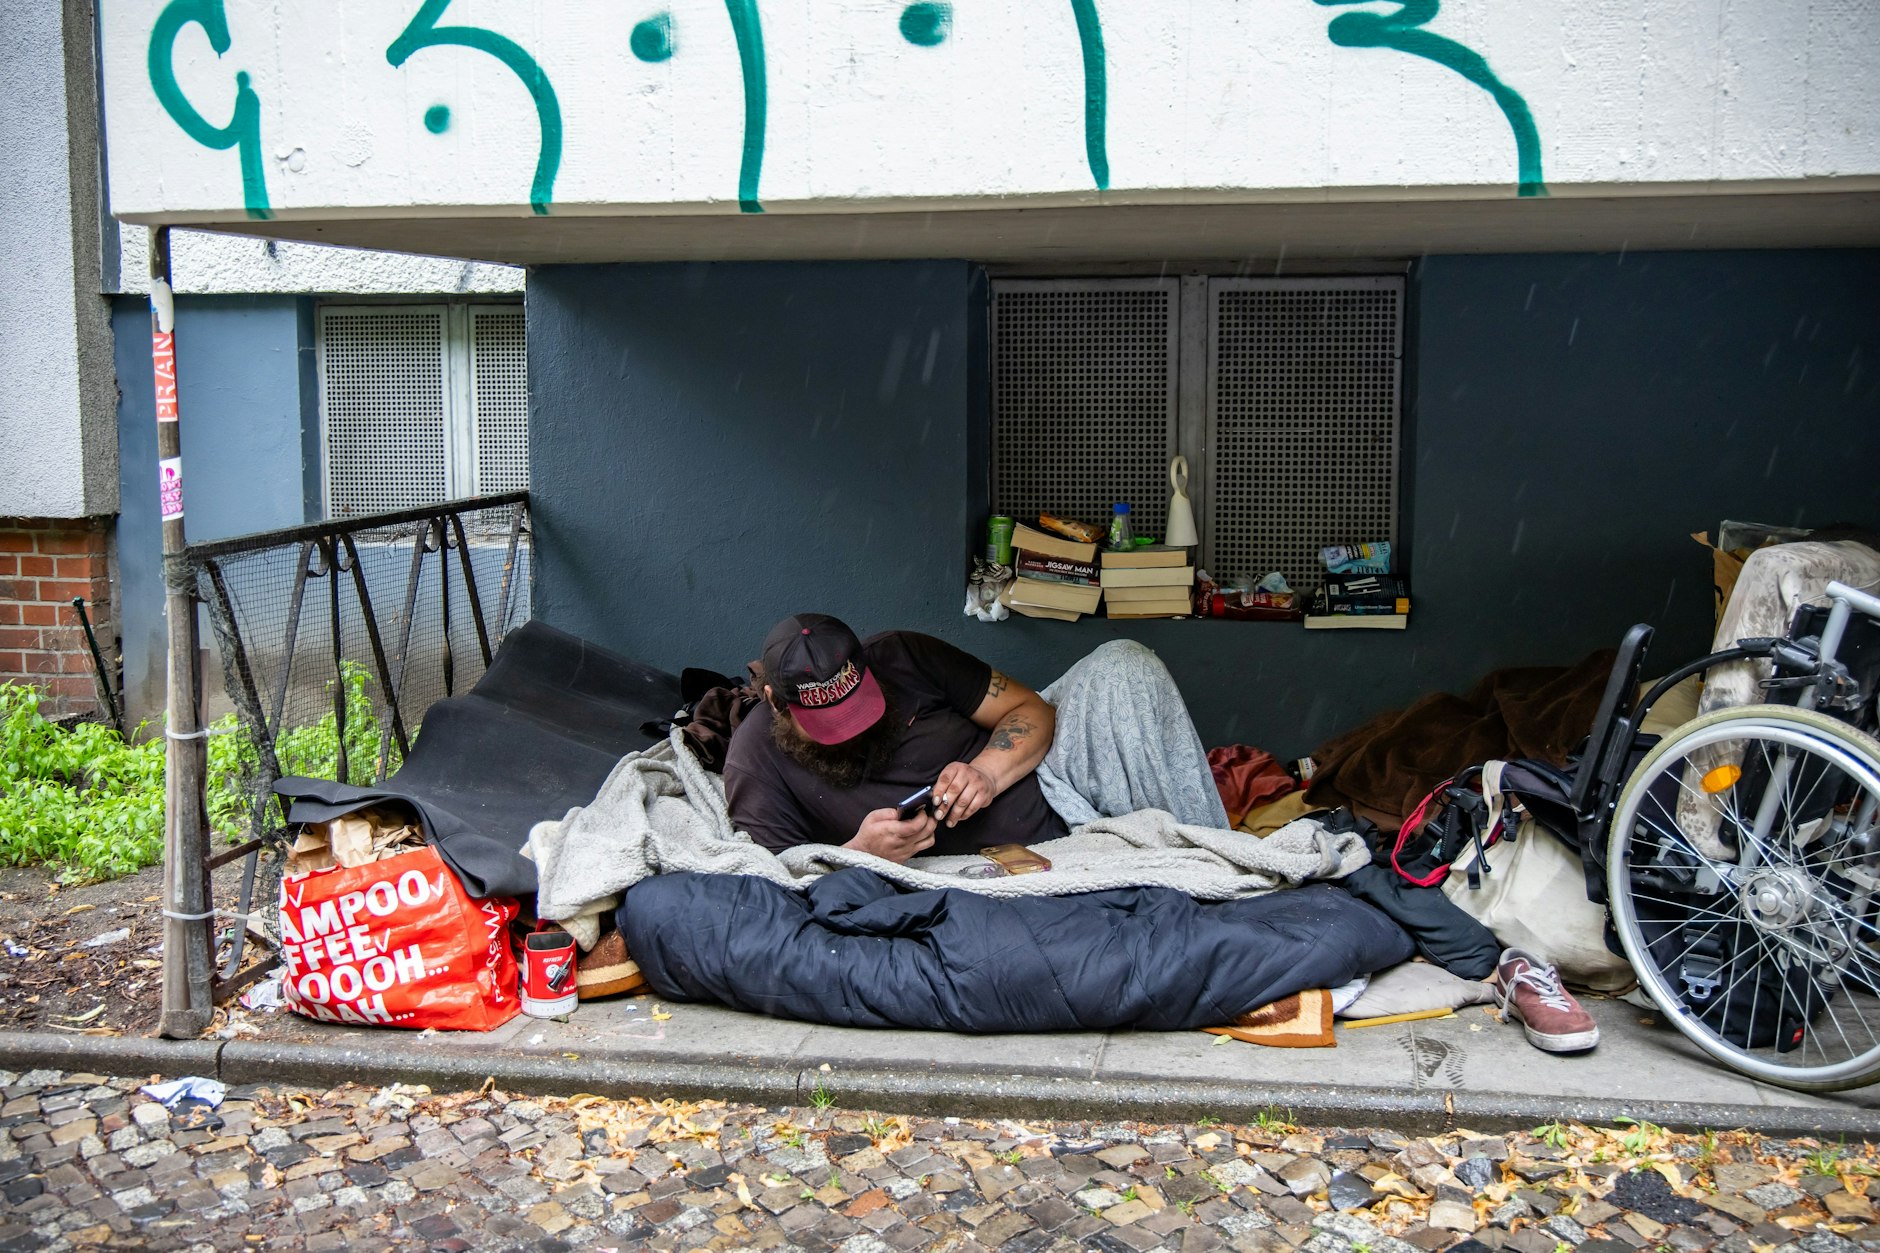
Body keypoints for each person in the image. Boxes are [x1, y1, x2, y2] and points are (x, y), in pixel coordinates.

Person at [723, 613, 1228, 861]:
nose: (852, 728)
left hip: (1053, 784)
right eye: (830, 722)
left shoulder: (903, 656)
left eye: (858, 707)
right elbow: (776, 881)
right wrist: (858, 854)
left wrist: (986, 771)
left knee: (1125, 662)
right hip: (970, 868)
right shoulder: (755, 761)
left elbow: (1033, 709)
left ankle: (1216, 863)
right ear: (773, 699)